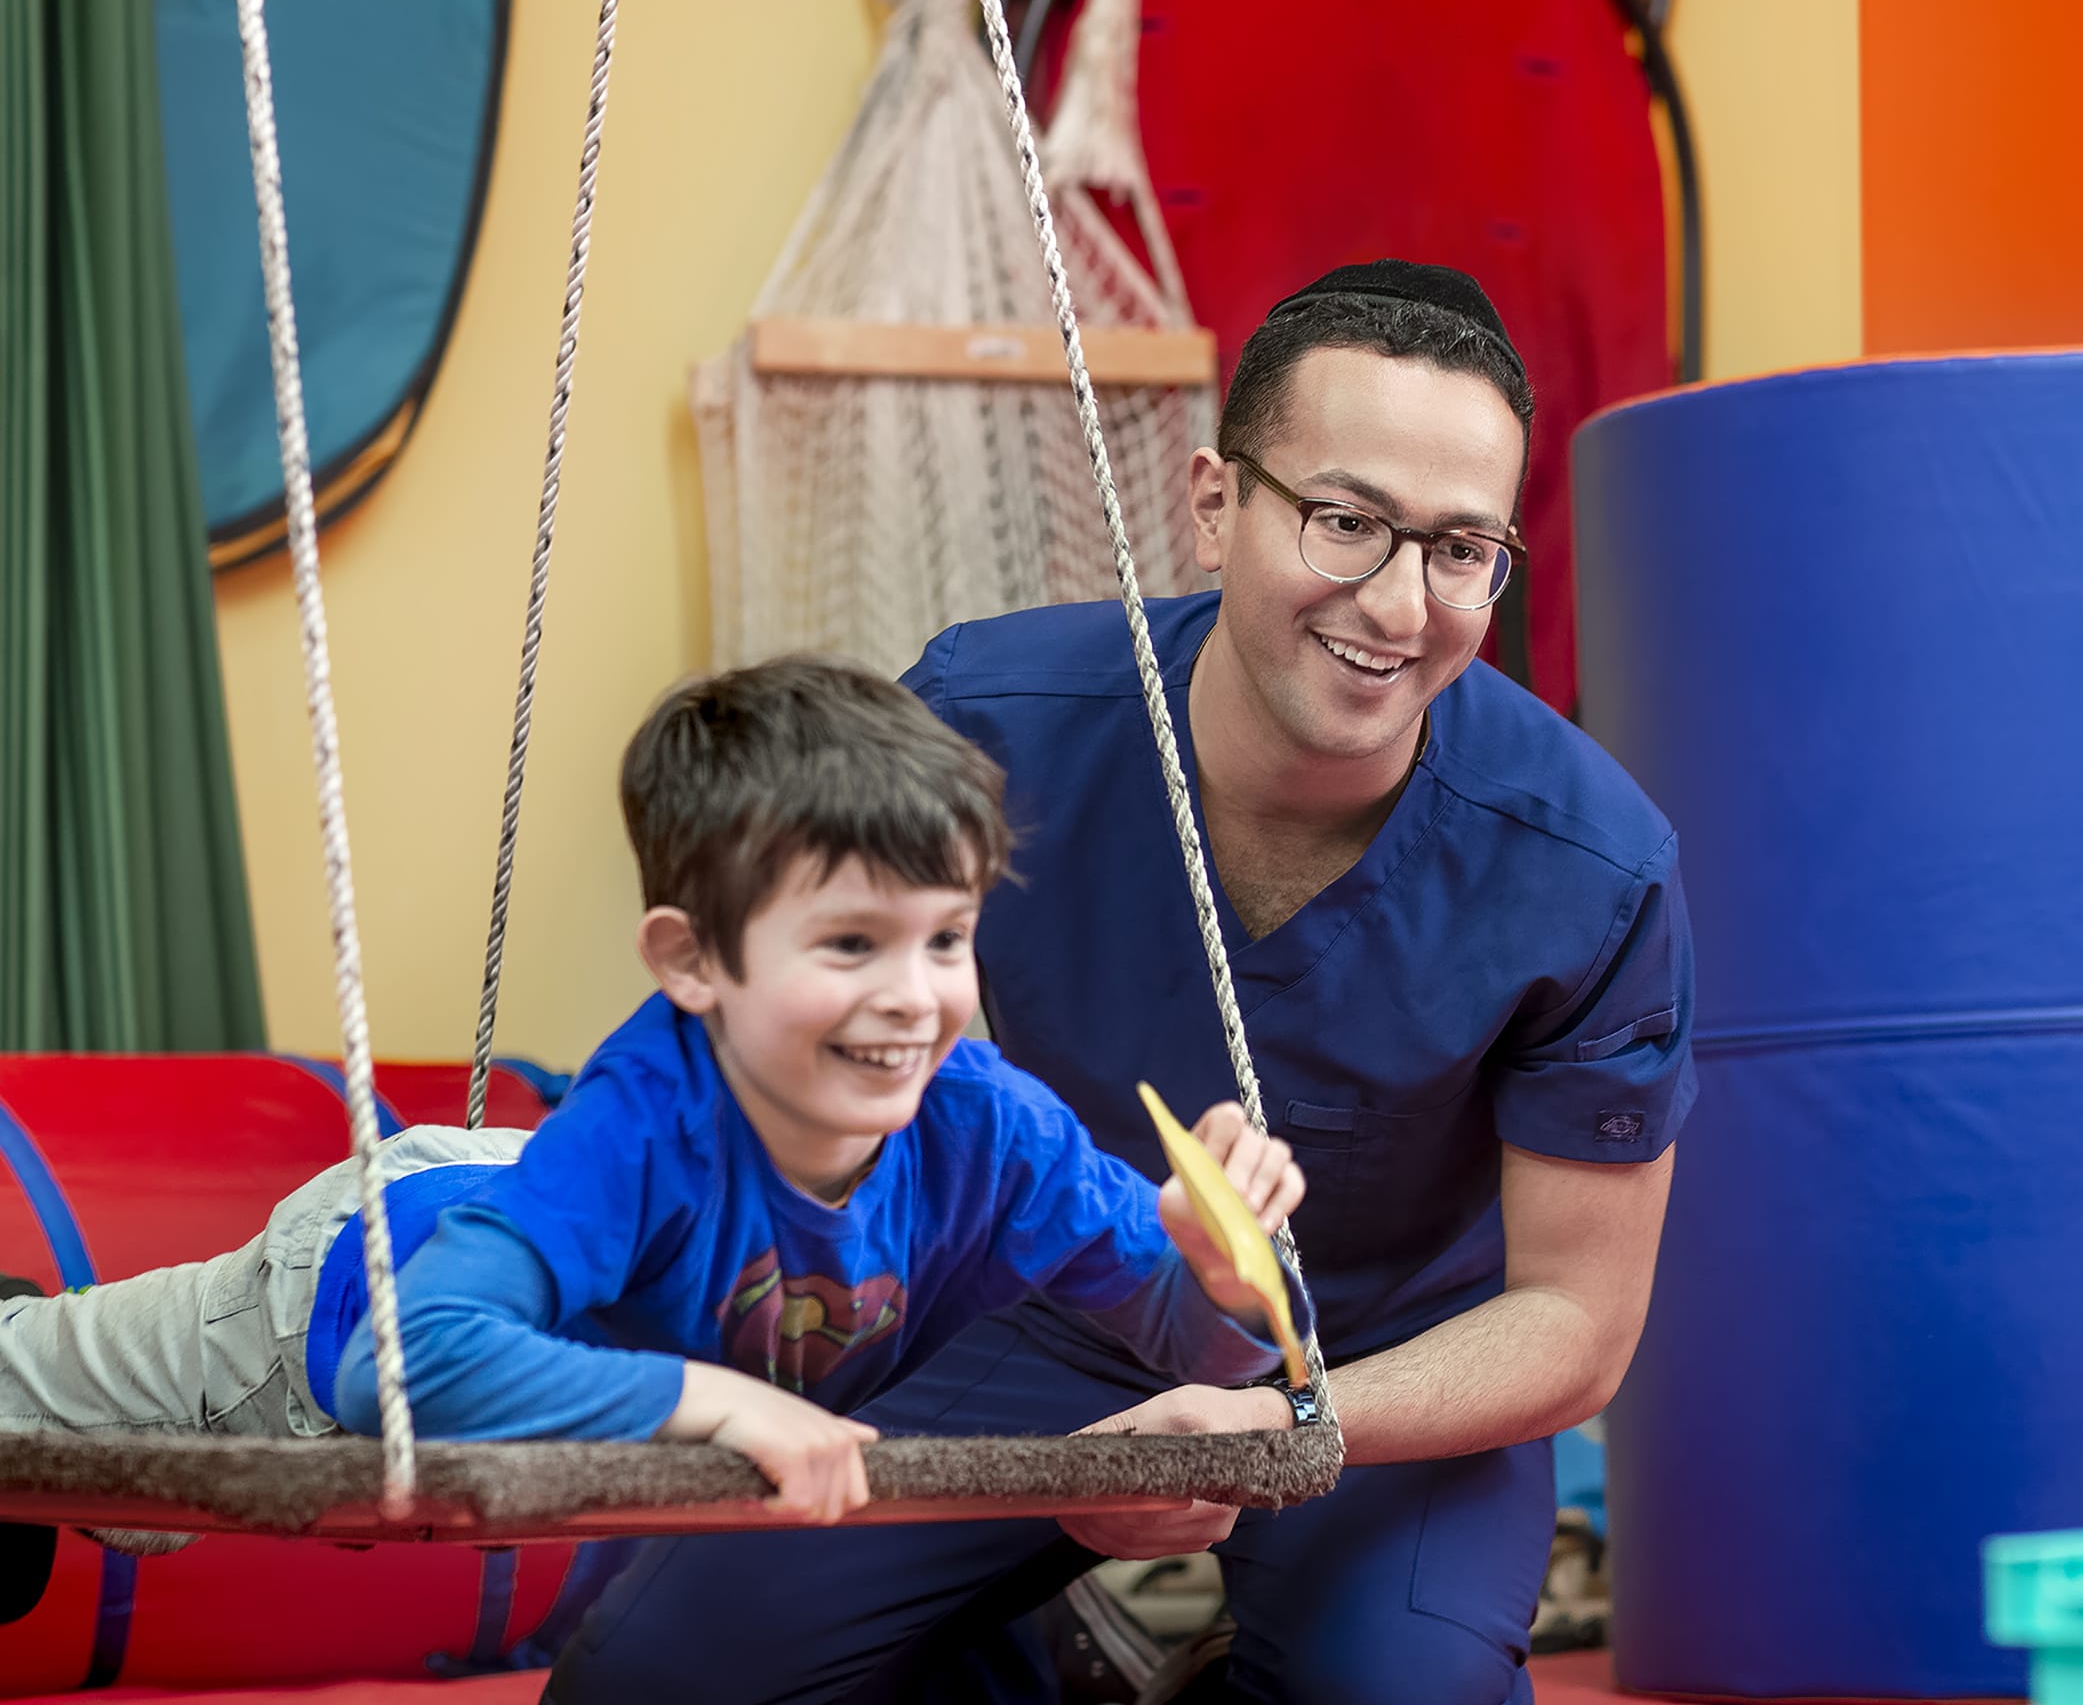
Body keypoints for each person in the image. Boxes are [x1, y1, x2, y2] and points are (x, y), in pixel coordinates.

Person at [550, 261, 1695, 1705]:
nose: (1401, 604)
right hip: (1040, 1312)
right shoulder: (983, 723)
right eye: (1346, 522)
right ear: (1216, 502)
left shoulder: (1591, 863)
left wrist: (1277, 1415)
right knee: (653, 1681)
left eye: (1461, 548)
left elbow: (1577, 1325)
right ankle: (1026, 1654)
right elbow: (824, 1085)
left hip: (1384, 1378)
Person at [0, 657, 1306, 1539]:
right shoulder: (654, 1109)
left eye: (947, 938)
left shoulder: (991, 1131)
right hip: (342, 1292)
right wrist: (724, 1405)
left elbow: (1206, 1355)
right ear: (691, 961)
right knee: (29, 1404)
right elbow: (416, 1358)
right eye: (850, 945)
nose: (913, 995)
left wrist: (1221, 1283)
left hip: (541, 1203)